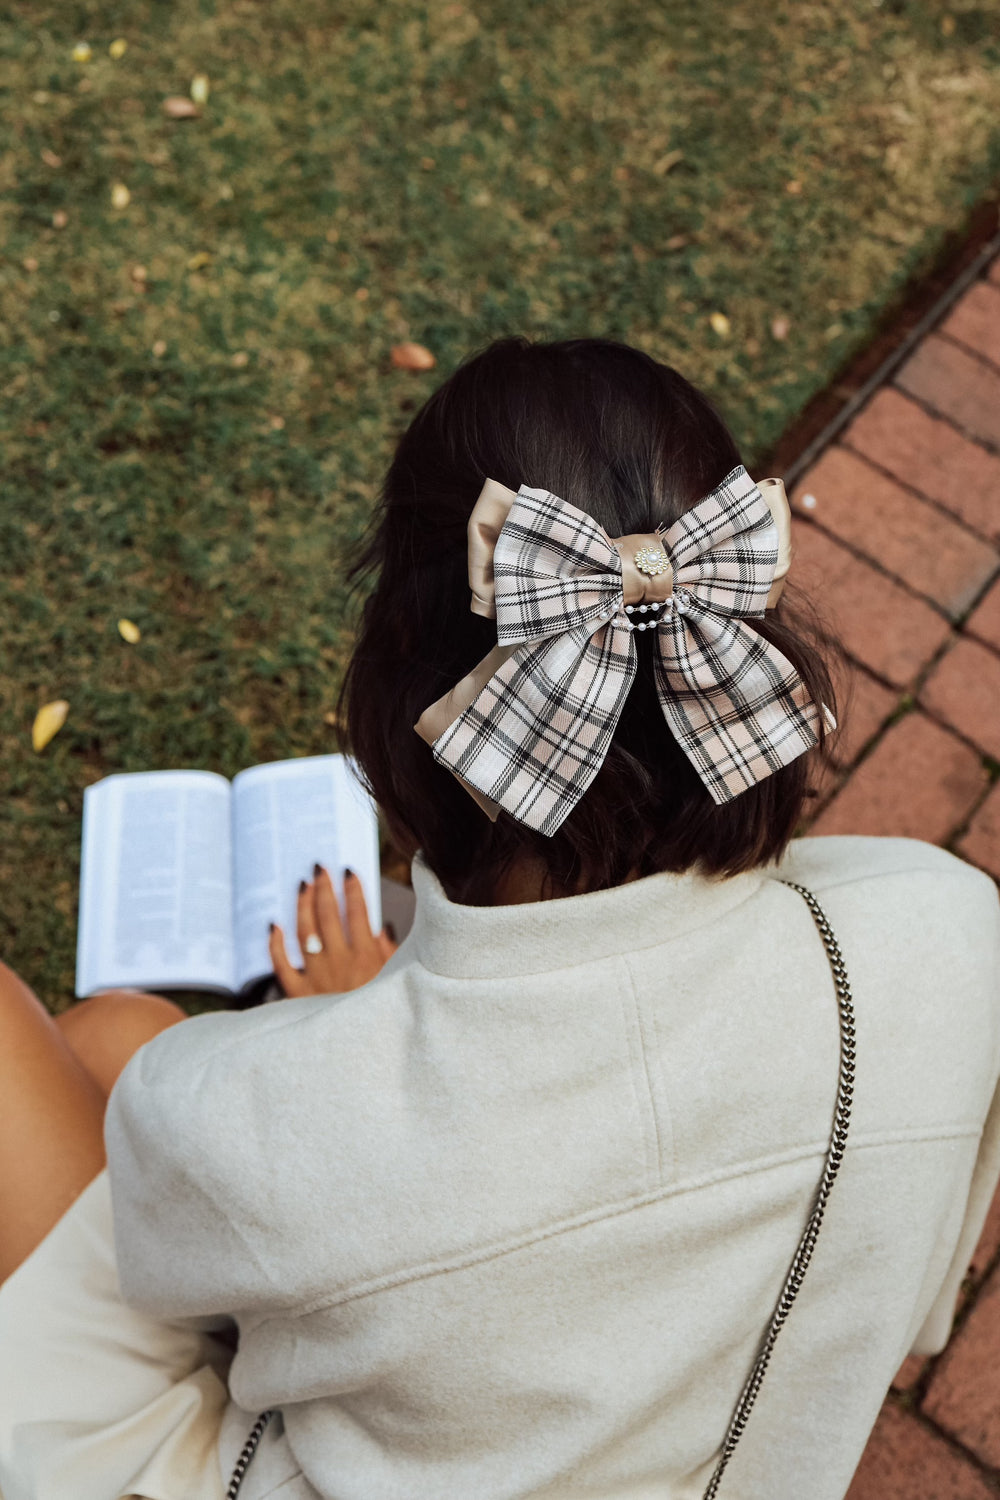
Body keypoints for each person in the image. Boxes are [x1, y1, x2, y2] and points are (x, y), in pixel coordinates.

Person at [1, 336, 998, 1500]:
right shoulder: (947, 936)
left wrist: (361, 1038)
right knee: (116, 1035)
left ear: (399, 695)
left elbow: (205, 1286)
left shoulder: (249, 1118)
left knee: (86, 1046)